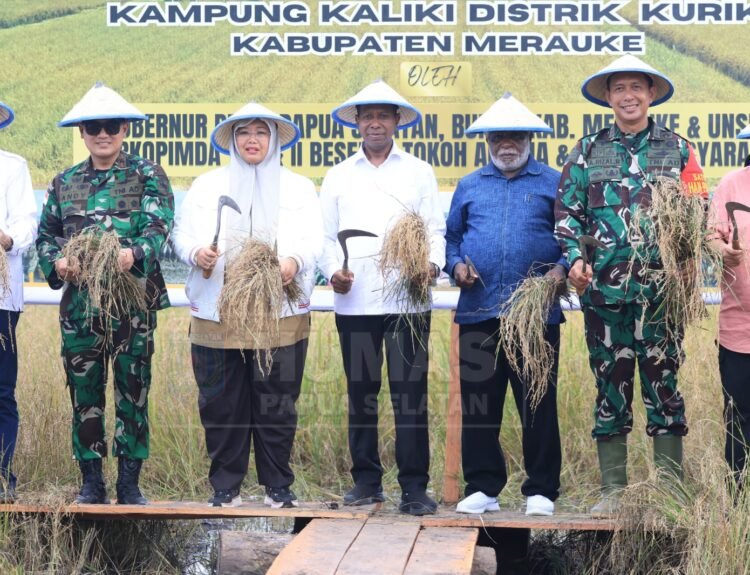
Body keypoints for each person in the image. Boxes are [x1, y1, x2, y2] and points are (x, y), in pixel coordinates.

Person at [554, 55, 707, 516]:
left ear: (652, 93)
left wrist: (685, 263)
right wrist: (576, 260)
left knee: (664, 386)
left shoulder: (679, 149)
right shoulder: (586, 151)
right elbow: (567, 215)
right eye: (618, 88)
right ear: (607, 97)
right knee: (610, 384)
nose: (628, 96)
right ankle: (613, 494)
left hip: (661, 295)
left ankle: (670, 494)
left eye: (636, 87)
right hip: (604, 295)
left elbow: (698, 211)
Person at [172, 102, 322, 508]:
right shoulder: (206, 186)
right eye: (243, 132)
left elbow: (314, 241)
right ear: (232, 141)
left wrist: (294, 262)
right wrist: (196, 254)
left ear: (274, 140)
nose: (251, 140)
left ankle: (278, 486)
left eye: (260, 132)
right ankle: (225, 487)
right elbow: (181, 236)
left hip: (280, 312)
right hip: (216, 310)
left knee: (276, 402)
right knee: (221, 402)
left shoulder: (299, 188)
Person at [36, 83, 174, 505]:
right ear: (82, 132)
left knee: (133, 391)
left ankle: (129, 484)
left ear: (124, 129)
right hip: (81, 308)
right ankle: (91, 482)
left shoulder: (147, 175)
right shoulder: (64, 182)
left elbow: (159, 227)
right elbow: (47, 236)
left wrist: (135, 254)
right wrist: (58, 264)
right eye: (94, 126)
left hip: (132, 303)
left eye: (111, 126)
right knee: (85, 395)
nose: (103, 134)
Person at [319, 80, 446, 515]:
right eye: (367, 115)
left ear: (396, 122)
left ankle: (414, 487)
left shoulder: (418, 171)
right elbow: (325, 237)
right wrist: (332, 271)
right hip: (355, 303)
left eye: (383, 115)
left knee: (410, 396)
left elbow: (435, 229)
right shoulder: (339, 174)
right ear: (357, 123)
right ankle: (366, 482)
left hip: (408, 302)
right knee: (362, 393)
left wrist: (430, 266)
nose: (375, 122)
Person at [445, 93, 566, 516]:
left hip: (534, 316)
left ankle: (541, 490)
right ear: (488, 141)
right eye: (499, 138)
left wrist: (559, 272)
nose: (506, 145)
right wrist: (457, 266)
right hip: (480, 311)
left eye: (514, 136)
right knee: (480, 403)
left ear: (529, 138)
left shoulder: (553, 181)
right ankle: (483, 486)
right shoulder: (470, 185)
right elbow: (452, 239)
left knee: (537, 400)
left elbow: (572, 239)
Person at [0, 100, 38, 503]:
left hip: (1, 297)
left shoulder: (12, 166)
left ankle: (1, 476)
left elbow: (27, 220)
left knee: (0, 391)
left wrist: (7, 238)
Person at [709, 124, 750, 488]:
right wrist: (724, 252)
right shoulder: (731, 185)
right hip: (740, 331)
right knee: (739, 424)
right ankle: (740, 512)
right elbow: (711, 235)